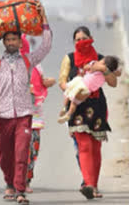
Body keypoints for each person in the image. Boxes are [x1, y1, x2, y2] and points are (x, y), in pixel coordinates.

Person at [0, 3, 52, 204]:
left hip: (23, 115)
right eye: (8, 40)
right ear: (4, 42)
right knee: (5, 157)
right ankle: (9, 184)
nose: (12, 42)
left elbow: (46, 46)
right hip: (1, 117)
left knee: (22, 154)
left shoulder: (28, 61)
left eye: (15, 39)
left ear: (20, 42)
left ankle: (20, 190)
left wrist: (44, 18)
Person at [58, 26, 121, 199]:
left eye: (84, 38)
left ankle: (94, 184)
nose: (81, 42)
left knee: (95, 147)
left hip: (98, 106)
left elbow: (114, 82)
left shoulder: (101, 60)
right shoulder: (69, 59)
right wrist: (73, 89)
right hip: (77, 105)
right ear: (73, 42)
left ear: (91, 38)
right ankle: (89, 185)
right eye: (77, 39)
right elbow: (62, 81)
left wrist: (104, 70)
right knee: (84, 146)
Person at [20, 35, 56, 193]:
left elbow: (42, 81)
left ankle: (27, 180)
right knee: (18, 150)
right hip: (16, 115)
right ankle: (17, 181)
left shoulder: (36, 64)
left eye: (21, 43)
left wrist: (48, 82)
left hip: (34, 116)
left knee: (32, 150)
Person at [58, 54, 119, 123]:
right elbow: (62, 83)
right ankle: (66, 111)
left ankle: (66, 110)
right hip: (85, 88)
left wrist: (103, 69)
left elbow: (115, 81)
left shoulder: (98, 62)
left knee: (71, 96)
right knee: (71, 97)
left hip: (88, 92)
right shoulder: (70, 58)